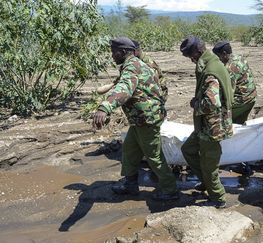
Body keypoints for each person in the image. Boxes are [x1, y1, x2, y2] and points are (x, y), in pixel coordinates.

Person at [92, 37, 178, 200]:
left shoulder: (132, 66)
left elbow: (125, 88)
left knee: (154, 155)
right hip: (139, 119)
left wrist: (105, 107)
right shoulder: (134, 64)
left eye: (114, 53)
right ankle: (130, 184)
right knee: (130, 150)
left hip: (146, 119)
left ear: (123, 52)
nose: (112, 56)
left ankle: (170, 189)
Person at [179, 36, 233, 208]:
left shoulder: (210, 71)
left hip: (212, 127)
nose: (191, 60)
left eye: (191, 57)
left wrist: (196, 104)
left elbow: (211, 103)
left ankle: (218, 197)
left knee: (209, 165)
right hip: (205, 126)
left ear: (197, 52)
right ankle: (206, 182)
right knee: (188, 149)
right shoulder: (211, 64)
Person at [212, 41, 257, 124]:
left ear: (224, 54)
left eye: (218, 56)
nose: (218, 59)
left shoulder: (230, 68)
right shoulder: (239, 57)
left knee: (217, 116)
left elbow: (229, 94)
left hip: (243, 100)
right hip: (251, 96)